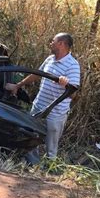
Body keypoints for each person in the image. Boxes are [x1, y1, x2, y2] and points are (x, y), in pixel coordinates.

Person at [5, 33, 81, 164]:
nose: (51, 43)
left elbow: (73, 95)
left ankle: (49, 170)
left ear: (61, 44)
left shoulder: (72, 65)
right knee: (29, 136)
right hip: (38, 106)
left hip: (56, 113)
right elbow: (36, 75)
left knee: (51, 145)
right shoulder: (50, 59)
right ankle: (32, 165)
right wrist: (18, 85)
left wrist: (65, 85)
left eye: (53, 41)